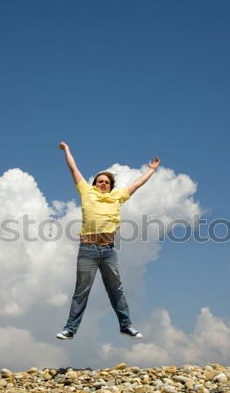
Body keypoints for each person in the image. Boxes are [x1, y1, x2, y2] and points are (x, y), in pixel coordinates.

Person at [55, 141, 160, 340]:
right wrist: (67, 150)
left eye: (106, 182)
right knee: (81, 292)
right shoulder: (86, 192)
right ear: (94, 183)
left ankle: (126, 325)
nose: (102, 183)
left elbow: (137, 184)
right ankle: (70, 329)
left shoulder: (117, 197)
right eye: (99, 181)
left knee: (116, 290)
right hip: (88, 250)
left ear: (111, 186)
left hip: (109, 251)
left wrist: (151, 170)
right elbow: (73, 168)